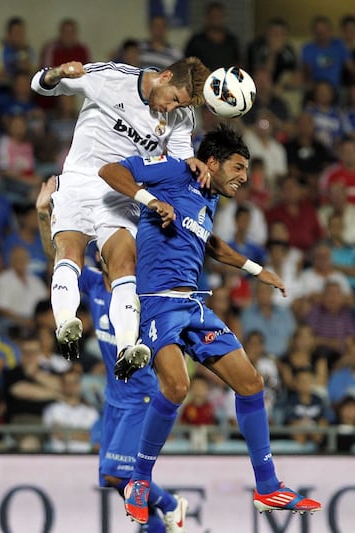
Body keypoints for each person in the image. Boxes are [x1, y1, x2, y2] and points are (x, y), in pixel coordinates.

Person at [98, 124, 321, 524]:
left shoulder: (208, 197)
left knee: (251, 383)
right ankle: (140, 481)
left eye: (247, 171)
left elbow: (209, 243)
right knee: (177, 387)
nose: (244, 178)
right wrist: (150, 201)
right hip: (156, 303)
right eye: (237, 167)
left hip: (194, 305)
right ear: (212, 162)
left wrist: (256, 269)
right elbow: (111, 172)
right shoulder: (175, 172)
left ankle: (268, 486)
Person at [30, 56, 210, 367]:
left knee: (125, 262)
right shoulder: (113, 77)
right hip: (81, 179)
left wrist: (190, 163)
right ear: (165, 77)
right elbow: (41, 86)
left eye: (180, 105)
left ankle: (128, 346)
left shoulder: (182, 117)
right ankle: (65, 324)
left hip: (122, 191)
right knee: (70, 250)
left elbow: (179, 158)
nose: (172, 109)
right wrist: (59, 72)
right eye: (173, 99)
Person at [36, 177, 189, 532]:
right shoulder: (92, 284)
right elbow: (57, 258)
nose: (104, 249)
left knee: (119, 474)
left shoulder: (140, 291)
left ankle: (169, 502)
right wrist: (45, 215)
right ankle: (161, 524)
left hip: (143, 395)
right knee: (115, 480)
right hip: (115, 397)